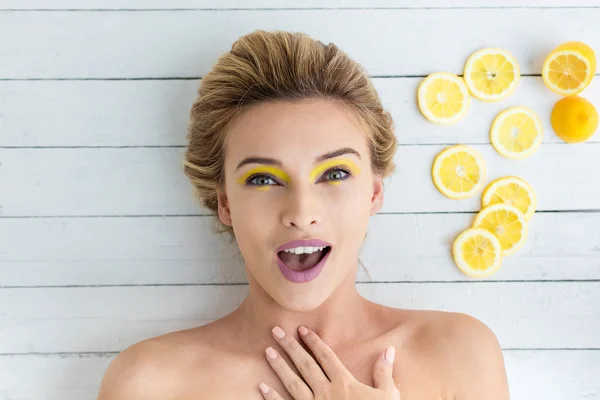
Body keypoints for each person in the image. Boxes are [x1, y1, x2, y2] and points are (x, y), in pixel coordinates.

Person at [96, 30, 510, 400]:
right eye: (262, 179)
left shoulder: (459, 354)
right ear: (224, 203)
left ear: (374, 191)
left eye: (334, 173)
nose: (301, 213)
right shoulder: (148, 383)